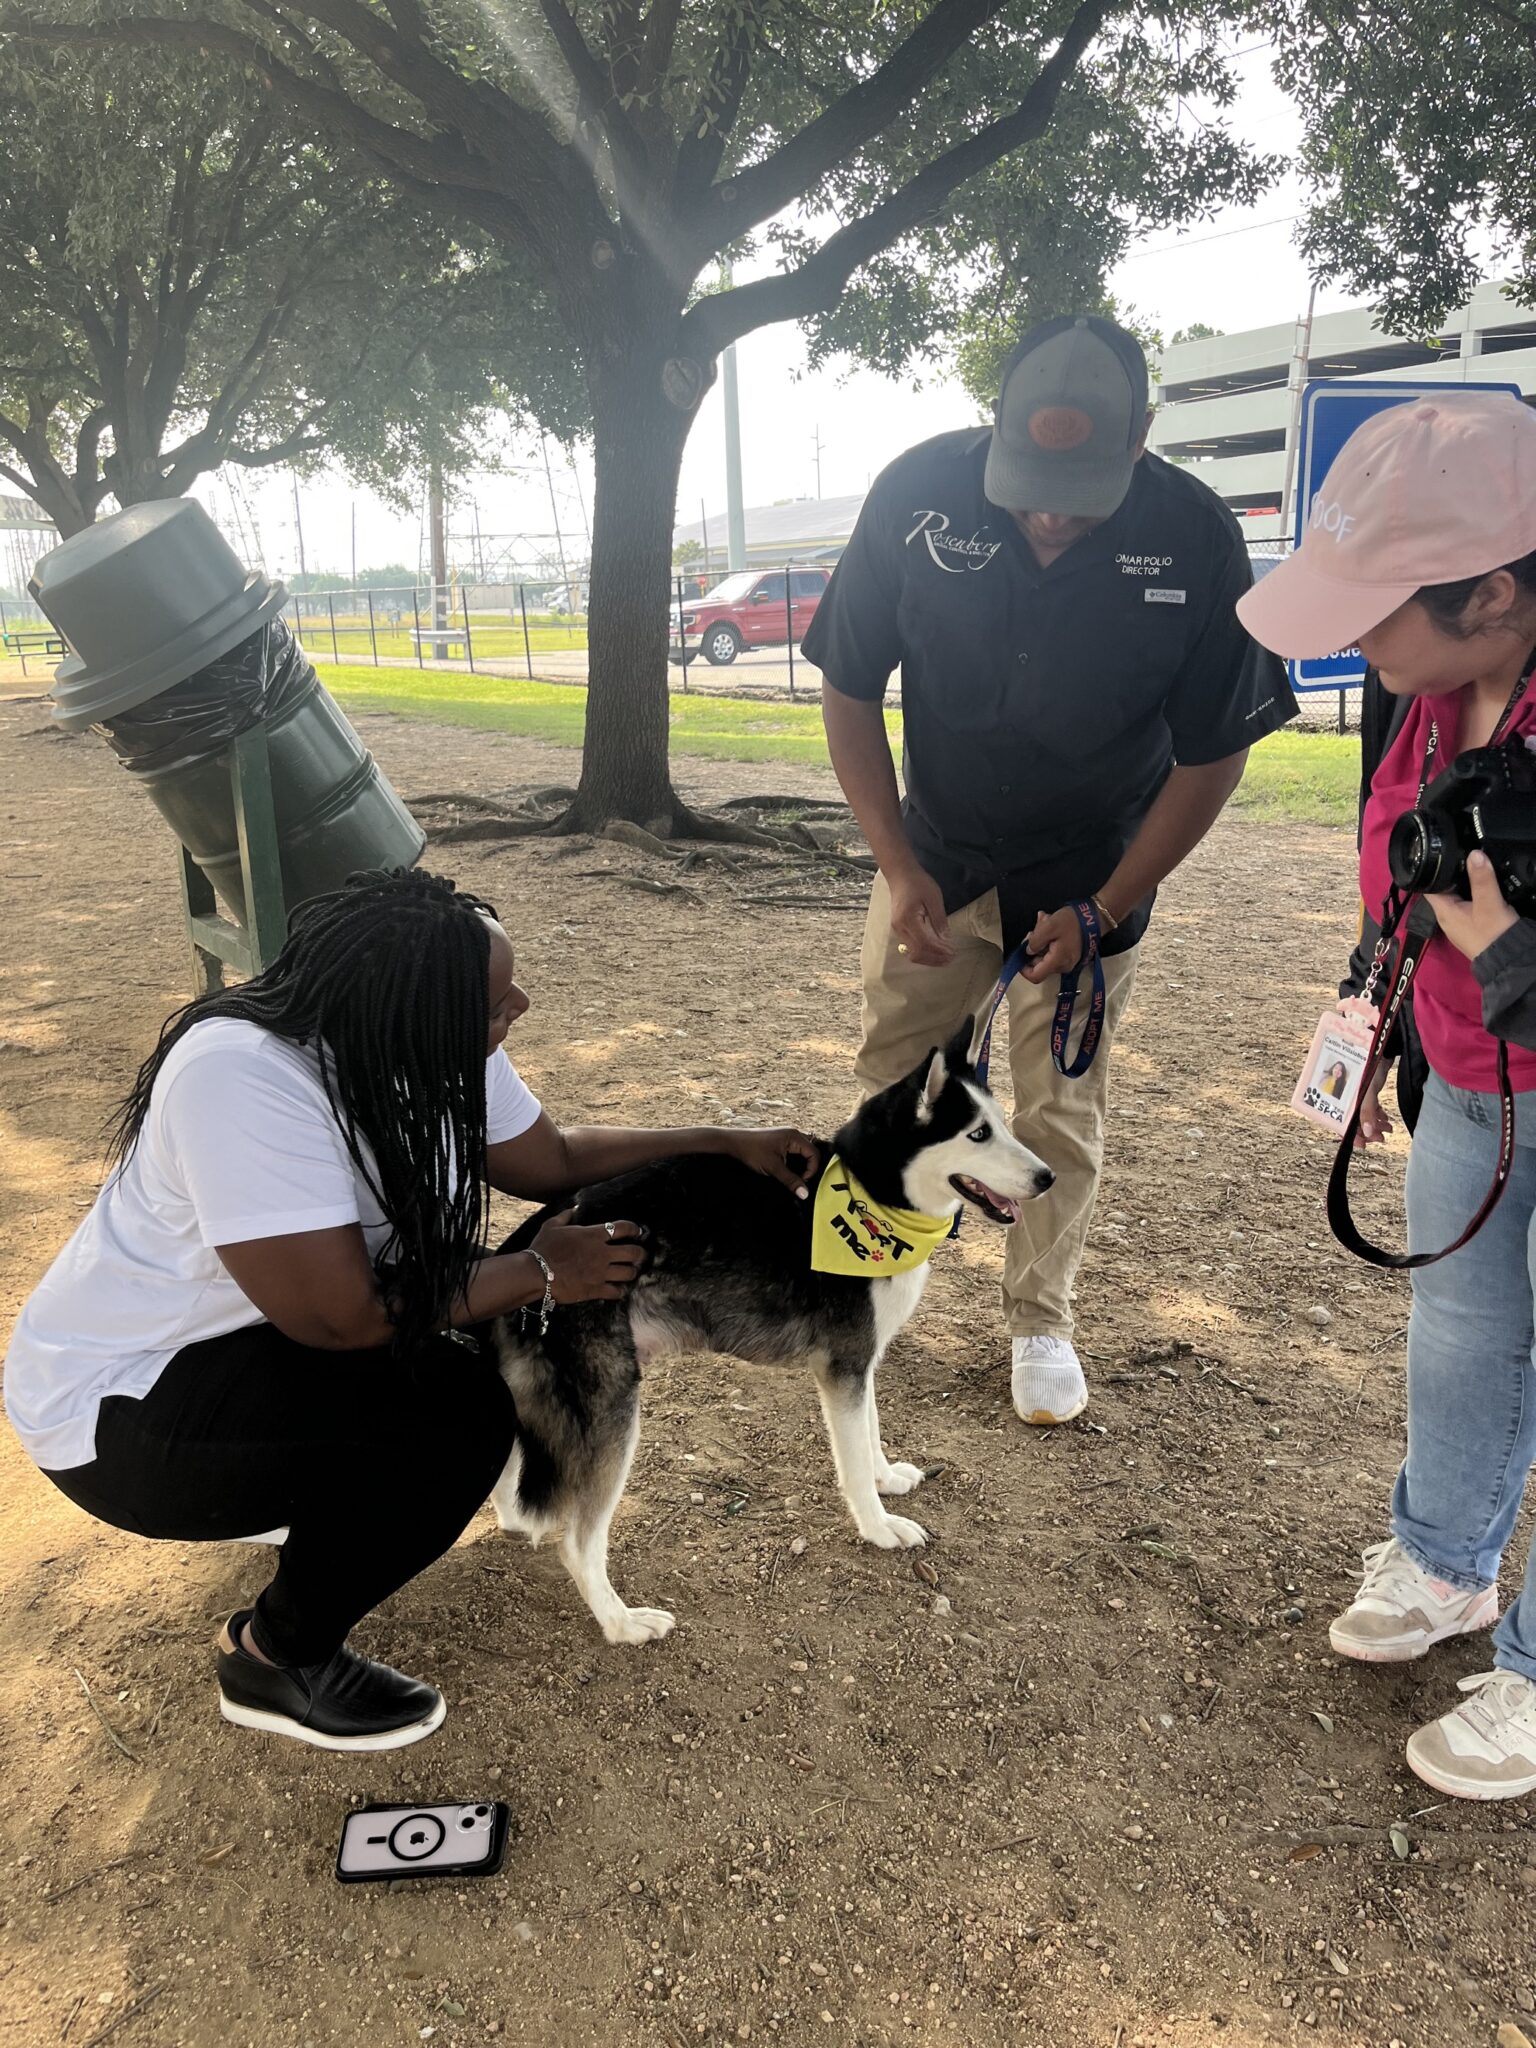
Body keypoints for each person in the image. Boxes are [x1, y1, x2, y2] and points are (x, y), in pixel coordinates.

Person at [2, 869, 818, 1753]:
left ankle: (315, 1497)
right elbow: (343, 1319)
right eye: (499, 1004)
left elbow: (544, 1157)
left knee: (463, 1351)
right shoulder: (239, 1077)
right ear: (411, 1011)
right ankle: (277, 1657)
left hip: (259, 1336)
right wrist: (541, 1269)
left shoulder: (427, 1036)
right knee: (460, 1414)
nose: (524, 1007)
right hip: (129, 1409)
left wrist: (720, 1138)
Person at [803, 313, 1295, 1426]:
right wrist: (894, 858)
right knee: (895, 1081)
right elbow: (846, 687)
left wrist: (1111, 901)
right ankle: (871, 1280)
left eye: (1078, 487)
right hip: (933, 852)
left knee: (1057, 1104)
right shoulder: (916, 494)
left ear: (1141, 438)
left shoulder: (1197, 534)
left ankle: (1040, 1320)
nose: (1050, 512)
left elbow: (1218, 748)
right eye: (1030, 483)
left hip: (1088, 876)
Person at [1239, 391, 1536, 1800]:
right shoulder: (1422, 695)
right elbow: (1404, 881)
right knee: (1462, 1338)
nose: (1353, 640)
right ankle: (1446, 1565)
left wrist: (1507, 957)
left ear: (1492, 591)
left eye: (1374, 607)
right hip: (1477, 1082)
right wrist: (1376, 1042)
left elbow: (1480, 918)